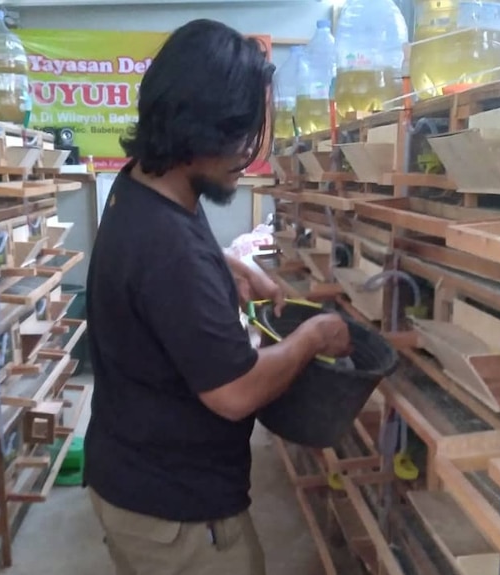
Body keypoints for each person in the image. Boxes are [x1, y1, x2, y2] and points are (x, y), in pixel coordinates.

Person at [83, 18, 353, 575]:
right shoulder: (168, 249)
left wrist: (223, 264)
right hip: (174, 514)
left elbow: (165, 261)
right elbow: (233, 393)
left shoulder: (144, 185)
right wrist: (311, 339)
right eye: (236, 138)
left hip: (130, 469)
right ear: (194, 129)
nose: (246, 157)